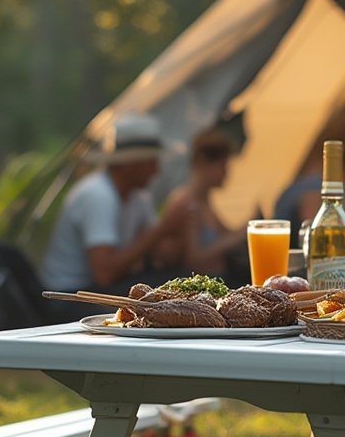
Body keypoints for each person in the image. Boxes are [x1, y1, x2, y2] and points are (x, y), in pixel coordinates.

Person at [40, 112, 180, 307]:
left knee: (172, 288)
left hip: (98, 288)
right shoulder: (98, 195)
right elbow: (104, 275)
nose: (157, 171)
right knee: (157, 303)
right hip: (69, 296)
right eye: (151, 162)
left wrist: (182, 224)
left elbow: (163, 255)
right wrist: (161, 229)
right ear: (130, 166)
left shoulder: (138, 197)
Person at [150, 129, 250, 287]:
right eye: (223, 166)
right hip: (201, 286)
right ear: (203, 163)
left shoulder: (205, 200)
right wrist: (238, 236)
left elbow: (224, 233)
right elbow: (193, 260)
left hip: (220, 278)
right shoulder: (185, 203)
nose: (226, 174)